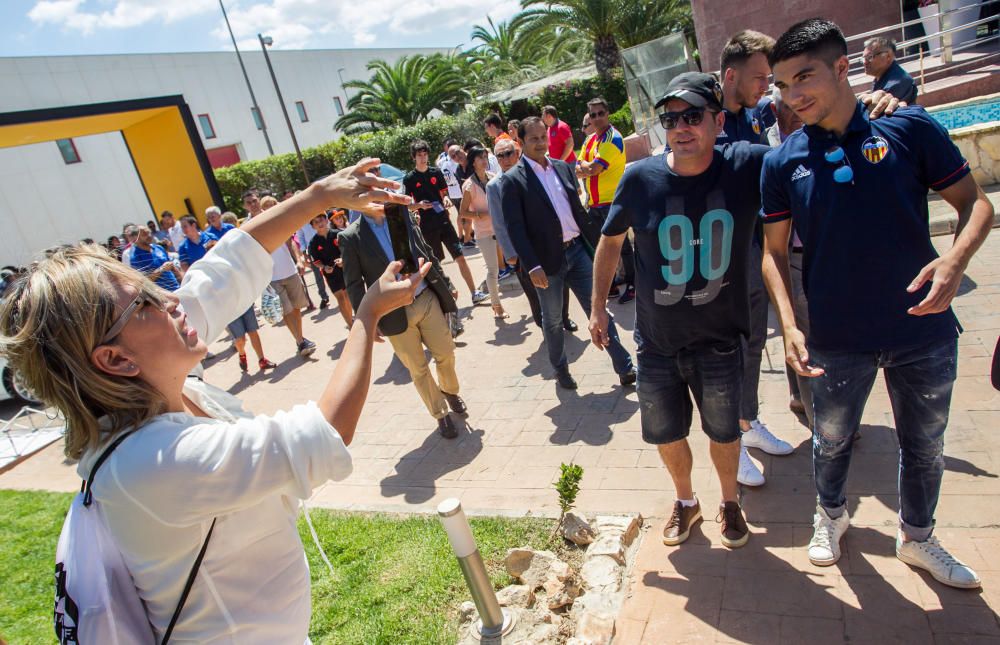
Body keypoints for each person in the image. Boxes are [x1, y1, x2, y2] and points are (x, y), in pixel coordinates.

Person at [0, 159, 419, 641]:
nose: (172, 300)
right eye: (145, 303)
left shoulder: (154, 377)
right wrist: (367, 316)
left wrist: (320, 195)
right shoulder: (148, 463)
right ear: (115, 360)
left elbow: (225, 269)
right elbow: (322, 435)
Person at [762, 18, 994, 587]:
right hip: (837, 337)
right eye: (784, 85)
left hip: (925, 329)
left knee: (925, 445)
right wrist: (790, 325)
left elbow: (976, 205)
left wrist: (954, 261)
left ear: (844, 68)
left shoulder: (907, 127)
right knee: (832, 440)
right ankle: (831, 515)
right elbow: (770, 254)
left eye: (805, 77)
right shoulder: (782, 161)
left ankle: (917, 538)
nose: (794, 96)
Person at [591, 72, 771, 549]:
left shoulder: (747, 165)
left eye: (693, 116)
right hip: (656, 345)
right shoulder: (640, 177)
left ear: (717, 120)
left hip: (719, 339)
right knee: (666, 432)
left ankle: (730, 503)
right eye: (671, 119)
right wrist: (597, 309)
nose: (681, 127)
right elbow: (609, 244)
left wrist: (869, 111)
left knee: (724, 430)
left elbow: (806, 153)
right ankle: (687, 503)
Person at [500, 116, 635, 390]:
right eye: (534, 139)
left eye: (543, 137)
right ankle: (561, 369)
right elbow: (516, 229)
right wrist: (532, 265)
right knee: (551, 321)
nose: (541, 143)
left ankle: (625, 367)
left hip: (577, 252)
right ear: (521, 143)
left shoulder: (563, 168)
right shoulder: (513, 181)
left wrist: (600, 244)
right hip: (545, 263)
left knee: (597, 308)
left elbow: (579, 212)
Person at [339, 199, 466, 438]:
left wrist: (446, 282)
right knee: (418, 369)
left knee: (446, 351)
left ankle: (449, 390)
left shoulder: (399, 216)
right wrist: (367, 320)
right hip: (392, 313)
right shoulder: (350, 237)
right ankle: (441, 414)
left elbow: (424, 250)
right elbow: (354, 284)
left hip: (425, 296)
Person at [489, 138, 576, 331]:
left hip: (546, 242)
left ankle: (565, 317)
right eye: (500, 156)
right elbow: (499, 224)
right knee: (534, 291)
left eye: (509, 153)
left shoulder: (532, 174)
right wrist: (510, 254)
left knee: (561, 283)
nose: (506, 159)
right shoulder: (494, 186)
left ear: (518, 152)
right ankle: (543, 324)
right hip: (522, 250)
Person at [403, 139, 488, 306]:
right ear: (414, 157)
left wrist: (447, 199)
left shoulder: (436, 173)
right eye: (419, 155)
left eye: (425, 154)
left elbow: (445, 193)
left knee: (460, 257)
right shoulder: (409, 179)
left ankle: (474, 293)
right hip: (426, 227)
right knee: (436, 263)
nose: (422, 158)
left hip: (444, 222)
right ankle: (446, 297)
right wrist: (418, 205)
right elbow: (407, 205)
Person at [577, 97, 636, 305]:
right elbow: (578, 166)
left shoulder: (613, 138)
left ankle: (633, 284)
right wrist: (586, 167)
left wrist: (586, 168)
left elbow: (593, 169)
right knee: (599, 246)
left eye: (600, 113)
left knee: (623, 247)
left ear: (607, 113)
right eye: (593, 115)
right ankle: (613, 283)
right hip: (594, 204)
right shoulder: (591, 139)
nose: (597, 118)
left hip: (613, 201)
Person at [258, 196, 317, 358]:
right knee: (286, 310)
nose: (271, 208)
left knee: (297, 307)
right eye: (267, 206)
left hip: (290, 271)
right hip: (273, 277)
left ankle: (300, 339)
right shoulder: (259, 227)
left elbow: (292, 243)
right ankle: (300, 341)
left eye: (273, 205)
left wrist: (299, 260)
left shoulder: (283, 222)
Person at [460, 147, 507, 319]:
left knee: (512, 263)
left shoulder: (493, 178)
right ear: (473, 161)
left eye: (485, 156)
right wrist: (480, 215)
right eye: (480, 157)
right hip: (484, 233)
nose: (484, 160)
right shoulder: (469, 185)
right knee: (493, 270)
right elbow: (462, 213)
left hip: (501, 229)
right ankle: (497, 305)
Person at [309, 211, 354, 327]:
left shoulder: (338, 234)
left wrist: (343, 259)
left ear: (327, 220)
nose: (320, 223)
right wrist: (324, 267)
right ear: (312, 226)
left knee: (348, 296)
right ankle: (350, 324)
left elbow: (349, 250)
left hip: (345, 270)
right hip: (330, 274)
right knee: (341, 298)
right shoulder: (313, 243)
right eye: (316, 222)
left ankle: (352, 318)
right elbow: (316, 261)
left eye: (322, 220)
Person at [122, 224, 181, 292]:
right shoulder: (135, 258)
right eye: (144, 234)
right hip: (163, 297)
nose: (149, 236)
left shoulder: (159, 248)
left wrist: (183, 282)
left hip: (177, 289)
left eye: (148, 232)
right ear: (136, 239)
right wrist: (161, 269)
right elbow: (143, 283)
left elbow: (173, 268)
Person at [863, 36, 917, 105]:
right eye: (864, 58)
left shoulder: (897, 83)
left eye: (869, 57)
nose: (865, 62)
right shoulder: (881, 77)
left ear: (888, 56)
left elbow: (877, 112)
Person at [295, 211, 330, 309]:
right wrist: (304, 252)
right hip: (312, 249)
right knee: (318, 274)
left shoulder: (319, 211)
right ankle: (324, 297)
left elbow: (328, 224)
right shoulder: (300, 220)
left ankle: (341, 290)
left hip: (326, 244)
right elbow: (300, 236)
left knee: (332, 268)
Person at [447, 144, 475, 248]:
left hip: (484, 197)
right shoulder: (458, 170)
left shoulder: (475, 161)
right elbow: (462, 187)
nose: (457, 157)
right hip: (470, 197)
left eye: (457, 152)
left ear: (462, 149)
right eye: (453, 156)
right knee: (465, 215)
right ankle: (467, 240)